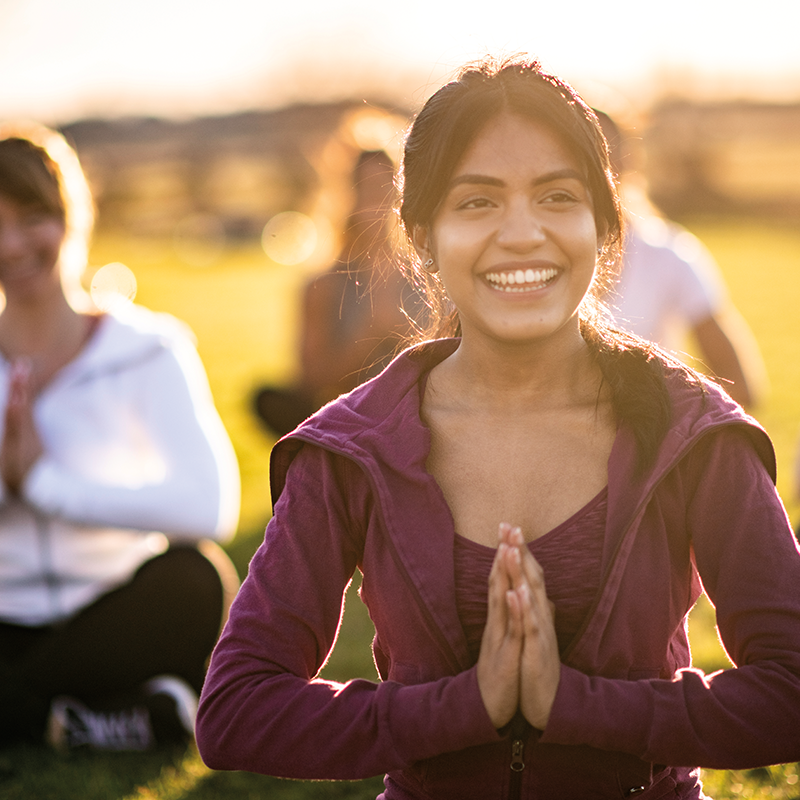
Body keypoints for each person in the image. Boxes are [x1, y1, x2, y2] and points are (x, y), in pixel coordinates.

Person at [196, 57, 800, 799]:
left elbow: (790, 691)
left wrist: (572, 706)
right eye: (477, 202)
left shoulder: (693, 432)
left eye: (556, 196)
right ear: (422, 237)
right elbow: (235, 712)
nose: (522, 233)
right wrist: (465, 709)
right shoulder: (352, 447)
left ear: (604, 225)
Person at [0, 122, 241, 752]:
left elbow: (207, 506)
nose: (11, 244)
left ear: (71, 217)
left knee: (195, 578)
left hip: (109, 615)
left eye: (31, 217)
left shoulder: (149, 348)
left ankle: (29, 714)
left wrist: (45, 485)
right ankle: (95, 722)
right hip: (5, 620)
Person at [595, 110, 766, 410]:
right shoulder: (527, 259)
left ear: (627, 162)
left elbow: (739, 383)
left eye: (603, 153)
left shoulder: (669, 254)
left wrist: (671, 435)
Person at [253, 149, 417, 436]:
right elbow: (311, 384)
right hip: (354, 430)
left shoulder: (429, 279)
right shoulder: (323, 286)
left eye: (387, 190)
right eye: (367, 190)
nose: (379, 205)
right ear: (346, 199)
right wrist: (372, 331)